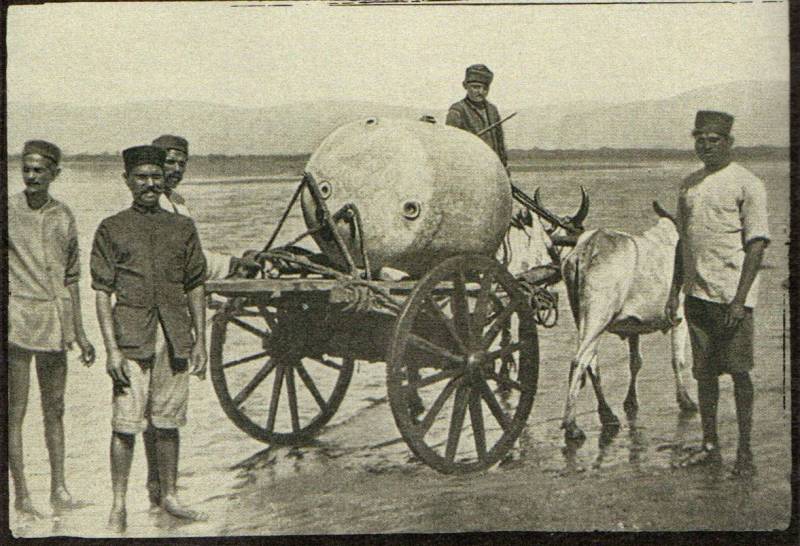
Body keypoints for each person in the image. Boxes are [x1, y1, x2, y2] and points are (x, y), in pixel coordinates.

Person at [91, 145, 208, 529]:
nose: (149, 184)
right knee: (125, 425)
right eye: (141, 177)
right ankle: (119, 504)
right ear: (127, 181)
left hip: (174, 338)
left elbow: (195, 286)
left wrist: (200, 342)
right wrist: (110, 350)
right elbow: (101, 292)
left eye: (156, 177)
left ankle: (170, 496)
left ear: (164, 181)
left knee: (168, 422)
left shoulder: (182, 227)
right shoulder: (112, 228)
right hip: (131, 339)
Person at [666, 111, 770, 477]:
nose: (706, 145)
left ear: (729, 142)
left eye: (714, 139)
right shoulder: (688, 185)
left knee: (740, 374)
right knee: (704, 376)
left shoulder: (747, 184)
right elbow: (684, 243)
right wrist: (673, 293)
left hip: (732, 298)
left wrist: (740, 301)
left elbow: (756, 246)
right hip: (697, 296)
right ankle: (710, 446)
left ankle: (745, 452)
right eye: (700, 139)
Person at [9, 140, 96, 518]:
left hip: (56, 324)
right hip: (15, 321)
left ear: (55, 174)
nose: (32, 177)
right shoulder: (8, 210)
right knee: (15, 411)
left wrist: (81, 332)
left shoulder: (64, 215)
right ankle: (22, 495)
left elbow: (73, 278)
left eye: (40, 170)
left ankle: (59, 489)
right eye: (26, 169)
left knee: (55, 409)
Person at [446, 64, 508, 168]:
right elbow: (451, 145)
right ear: (465, 86)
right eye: (476, 87)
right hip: (470, 168)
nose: (481, 92)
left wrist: (504, 166)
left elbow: (500, 143)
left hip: (493, 167)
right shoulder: (457, 110)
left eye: (485, 88)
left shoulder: (493, 110)